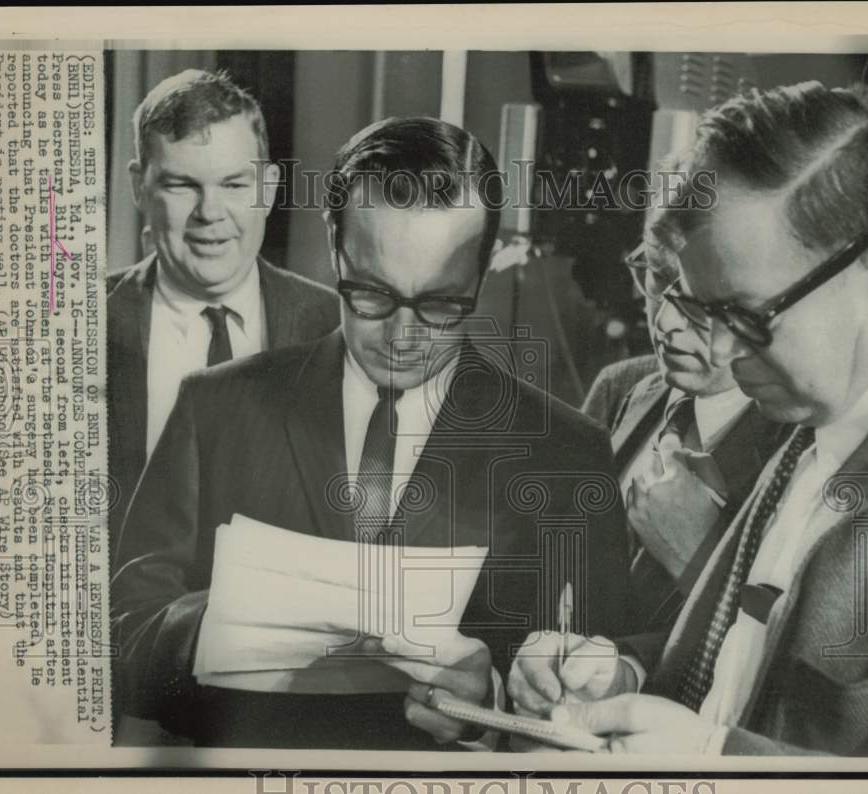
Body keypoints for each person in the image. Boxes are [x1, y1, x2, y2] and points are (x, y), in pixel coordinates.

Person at [110, 116, 634, 750]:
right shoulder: (216, 407)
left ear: (485, 265)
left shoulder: (567, 453)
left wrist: (490, 704)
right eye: (372, 295)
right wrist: (225, 619)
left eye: (442, 303)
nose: (404, 335)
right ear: (335, 246)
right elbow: (118, 648)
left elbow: (600, 706)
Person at [521, 81, 868, 756]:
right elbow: (747, 657)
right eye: (707, 313)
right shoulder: (809, 428)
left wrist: (714, 761)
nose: (721, 350)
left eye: (748, 318)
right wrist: (621, 675)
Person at [107, 69, 340, 550]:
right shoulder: (72, 328)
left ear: (269, 187)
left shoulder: (335, 328)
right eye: (181, 185)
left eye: (234, 185)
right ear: (138, 186)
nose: (210, 213)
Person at [580, 182, 788, 636]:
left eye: (702, 300)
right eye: (657, 274)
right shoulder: (619, 388)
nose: (664, 321)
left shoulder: (800, 444)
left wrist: (699, 558)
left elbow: (787, 661)